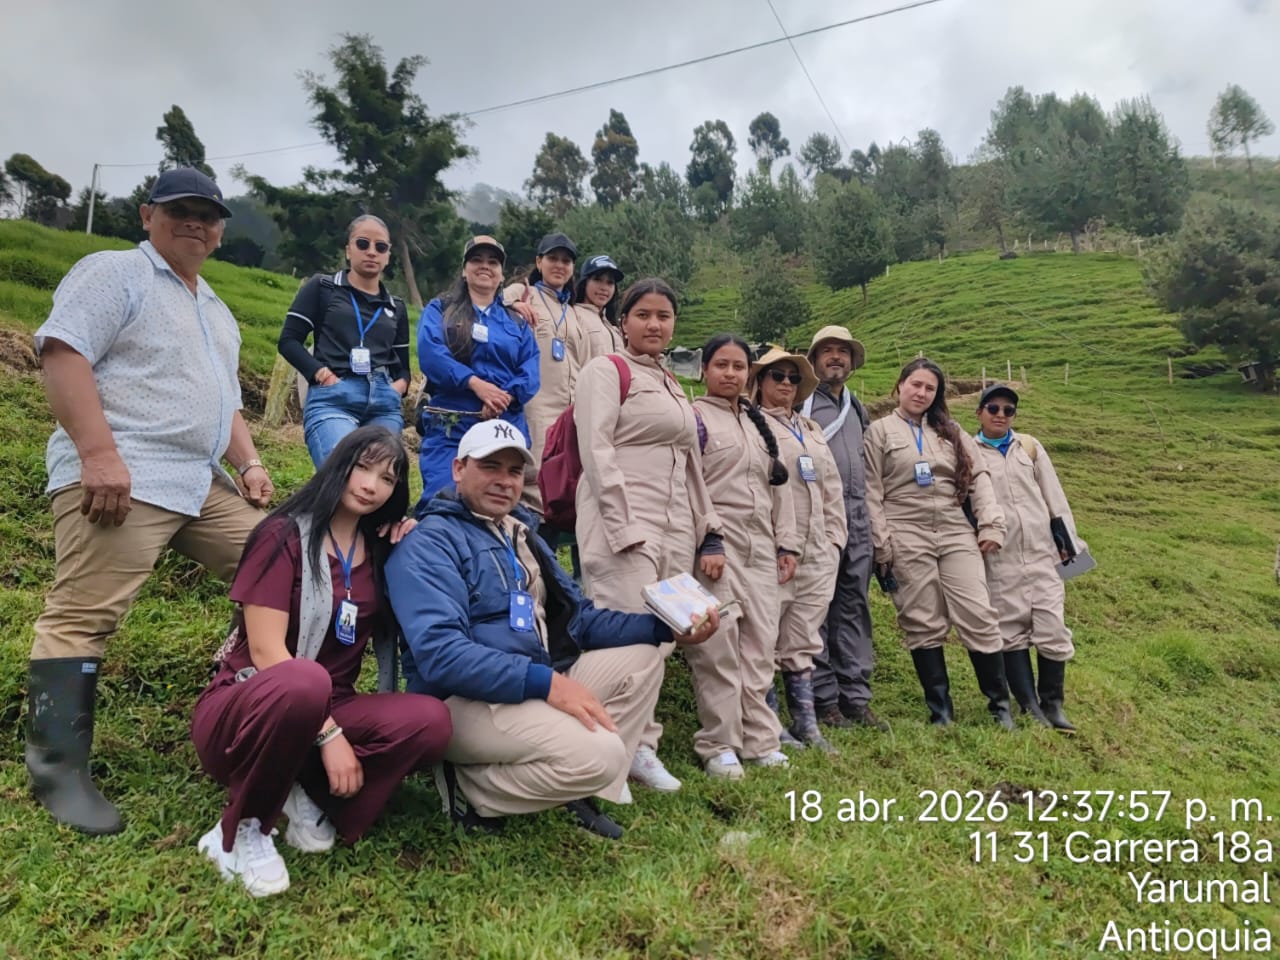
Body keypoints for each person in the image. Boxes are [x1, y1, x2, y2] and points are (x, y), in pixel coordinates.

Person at [25, 168, 273, 836]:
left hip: (200, 482)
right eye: (180, 210)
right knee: (84, 614)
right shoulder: (113, 273)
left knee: (280, 565)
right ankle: (56, 768)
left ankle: (256, 704)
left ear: (221, 230)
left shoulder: (215, 309)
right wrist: (98, 452)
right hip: (124, 472)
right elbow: (64, 353)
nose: (195, 222)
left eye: (207, 214)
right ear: (147, 215)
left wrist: (247, 462)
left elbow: (223, 404)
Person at [385, 421, 717, 840]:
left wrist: (664, 627)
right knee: (602, 756)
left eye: (513, 471)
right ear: (457, 468)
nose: (504, 481)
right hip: (462, 700)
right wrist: (549, 685)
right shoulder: (430, 541)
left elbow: (579, 620)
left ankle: (569, 781)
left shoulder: (520, 532)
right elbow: (441, 656)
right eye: (490, 467)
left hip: (528, 683)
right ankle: (471, 787)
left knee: (647, 654)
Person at [192, 427, 449, 897]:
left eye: (388, 479)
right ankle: (236, 833)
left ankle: (302, 788)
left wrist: (408, 542)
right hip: (248, 707)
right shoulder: (281, 535)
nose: (372, 485)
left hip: (327, 702)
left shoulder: (377, 550)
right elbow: (268, 652)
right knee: (304, 681)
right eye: (362, 467)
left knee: (429, 721)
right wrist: (330, 736)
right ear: (338, 464)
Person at [574, 278, 724, 793]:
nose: (654, 324)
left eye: (664, 315)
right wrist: (623, 526)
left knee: (660, 641)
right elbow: (596, 452)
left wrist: (708, 531)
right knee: (626, 636)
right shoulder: (605, 370)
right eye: (643, 314)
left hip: (675, 524)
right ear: (624, 321)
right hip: (625, 521)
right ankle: (605, 752)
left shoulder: (671, 383)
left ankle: (641, 746)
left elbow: (690, 465)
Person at [863, 359, 1014, 729]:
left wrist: (991, 524)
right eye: (915, 385)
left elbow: (979, 477)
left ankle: (1000, 706)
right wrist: (881, 542)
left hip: (953, 528)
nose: (921, 393)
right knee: (922, 619)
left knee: (978, 612)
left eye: (930, 389)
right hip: (905, 528)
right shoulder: (879, 432)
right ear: (899, 386)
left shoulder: (951, 430)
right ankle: (941, 711)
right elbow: (870, 490)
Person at [687, 334, 799, 779]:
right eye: (721, 365)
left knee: (759, 650)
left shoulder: (758, 423)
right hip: (718, 549)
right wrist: (706, 540)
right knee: (718, 649)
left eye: (738, 366)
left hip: (760, 551)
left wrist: (785, 543)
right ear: (704, 370)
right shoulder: (693, 417)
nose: (730, 374)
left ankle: (759, 741)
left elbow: (779, 490)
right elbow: (688, 485)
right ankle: (719, 745)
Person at [752, 348, 846, 753]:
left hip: (818, 549)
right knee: (766, 635)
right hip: (775, 548)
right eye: (777, 376)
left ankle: (806, 725)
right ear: (760, 381)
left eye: (793, 378)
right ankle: (768, 724)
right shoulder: (752, 424)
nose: (786, 384)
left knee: (804, 636)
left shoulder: (811, 428)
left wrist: (835, 540)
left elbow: (831, 489)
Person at [972, 384, 1081, 731]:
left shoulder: (1029, 448)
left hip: (1041, 553)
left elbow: (1055, 497)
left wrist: (1070, 545)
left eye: (1008, 410)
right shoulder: (969, 452)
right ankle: (1029, 705)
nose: (1001, 415)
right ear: (979, 413)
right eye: (993, 408)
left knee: (1053, 628)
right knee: (1011, 631)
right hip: (1000, 558)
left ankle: (1053, 705)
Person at [802, 326, 887, 732]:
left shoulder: (856, 409)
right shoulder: (800, 403)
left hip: (858, 519)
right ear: (814, 360)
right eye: (827, 351)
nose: (835, 358)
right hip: (817, 519)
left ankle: (855, 695)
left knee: (853, 606)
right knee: (816, 606)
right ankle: (823, 697)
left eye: (843, 352)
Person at [277, 215, 410, 467]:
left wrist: (400, 386)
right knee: (341, 477)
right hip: (335, 396)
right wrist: (321, 375)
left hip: (383, 402)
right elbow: (289, 341)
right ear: (348, 250)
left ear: (388, 256)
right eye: (363, 243)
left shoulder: (397, 307)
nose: (371, 252)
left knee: (381, 483)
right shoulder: (323, 287)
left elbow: (403, 367)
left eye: (380, 247)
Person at [417, 236, 539, 504]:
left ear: (501, 275)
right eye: (477, 260)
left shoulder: (516, 320)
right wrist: (473, 383)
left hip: (504, 425)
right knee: (444, 498)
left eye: (493, 262)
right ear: (464, 269)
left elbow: (531, 369)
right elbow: (430, 353)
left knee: (497, 505)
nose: (485, 266)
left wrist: (502, 397)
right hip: (452, 425)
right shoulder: (441, 309)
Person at [503, 233, 591, 514]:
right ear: (539, 262)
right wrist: (512, 307)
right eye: (553, 258)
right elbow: (490, 310)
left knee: (567, 478)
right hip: (535, 405)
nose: (560, 265)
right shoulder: (522, 292)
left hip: (571, 412)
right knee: (534, 476)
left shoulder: (573, 311)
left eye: (566, 261)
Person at [574, 254, 625, 357]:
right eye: (597, 280)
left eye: (610, 282)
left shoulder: (612, 327)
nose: (604, 288)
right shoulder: (573, 316)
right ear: (584, 282)